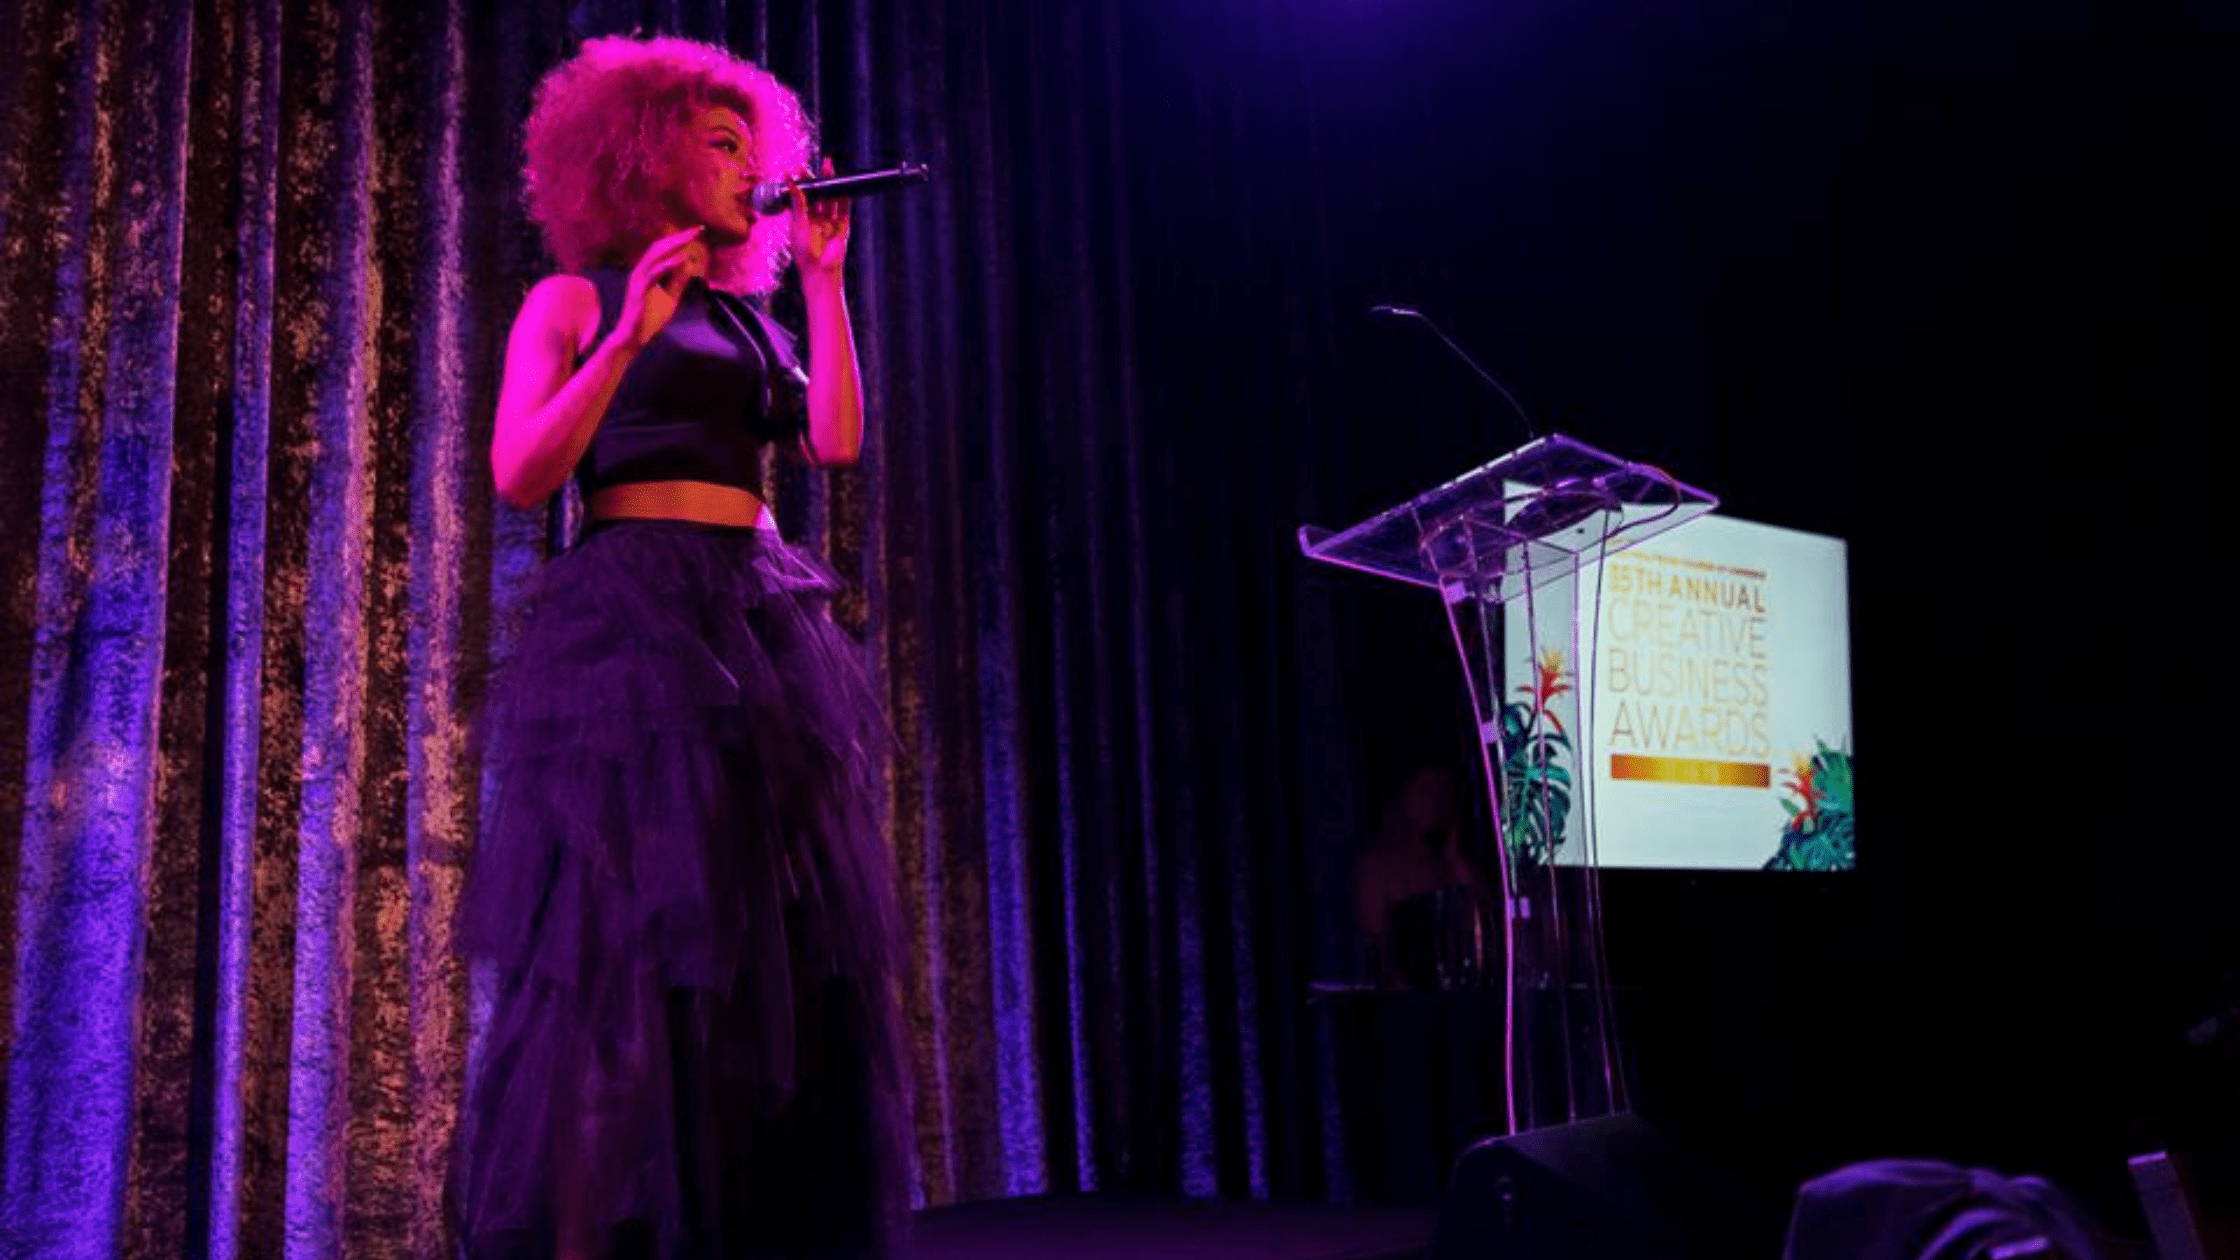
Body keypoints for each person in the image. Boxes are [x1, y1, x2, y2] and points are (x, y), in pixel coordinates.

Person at [445, 35, 908, 1260]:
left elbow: (833, 445)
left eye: (754, 142)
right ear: (643, 154)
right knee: (628, 960)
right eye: (722, 142)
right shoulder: (574, 300)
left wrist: (819, 283)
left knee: (770, 955)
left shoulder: (749, 319)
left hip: (756, 618)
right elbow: (521, 473)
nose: (751, 162)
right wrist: (623, 333)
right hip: (636, 626)